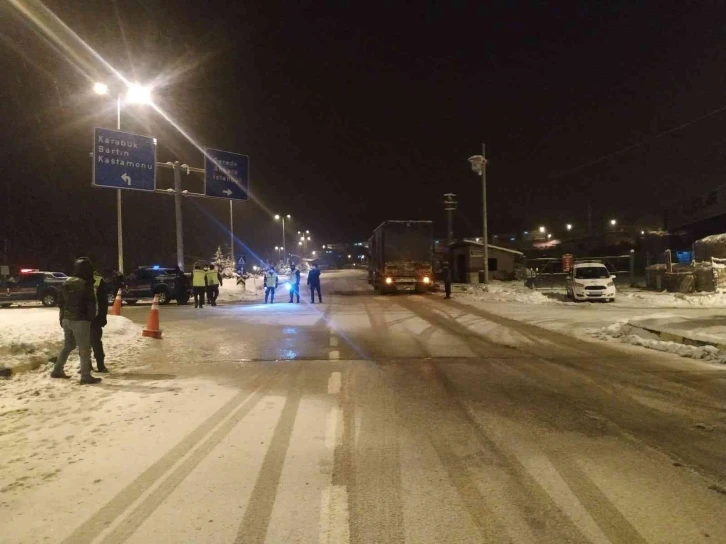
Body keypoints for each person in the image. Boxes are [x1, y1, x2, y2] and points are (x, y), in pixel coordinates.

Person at [51, 257, 101, 384]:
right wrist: (90, 318)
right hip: (80, 320)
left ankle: (57, 370)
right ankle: (85, 376)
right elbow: (91, 303)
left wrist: (62, 317)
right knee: (84, 349)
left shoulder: (66, 282)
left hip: (66, 319)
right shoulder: (86, 283)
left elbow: (61, 302)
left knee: (68, 345)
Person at [90, 267, 109, 372]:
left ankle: (87, 365)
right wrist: (103, 317)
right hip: (94, 317)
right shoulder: (98, 280)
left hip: (84, 317)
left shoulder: (75, 280)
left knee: (84, 343)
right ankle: (100, 365)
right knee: (96, 341)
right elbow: (103, 301)